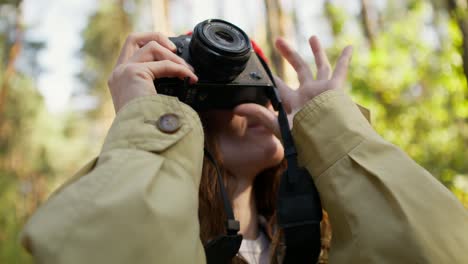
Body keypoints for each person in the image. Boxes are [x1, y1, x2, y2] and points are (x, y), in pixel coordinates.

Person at [20, 30, 467, 264]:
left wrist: (332, 133)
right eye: (232, 91)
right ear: (179, 113)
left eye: (264, 87)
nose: (259, 103)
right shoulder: (160, 237)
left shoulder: (326, 241)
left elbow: (443, 252)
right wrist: (148, 125)